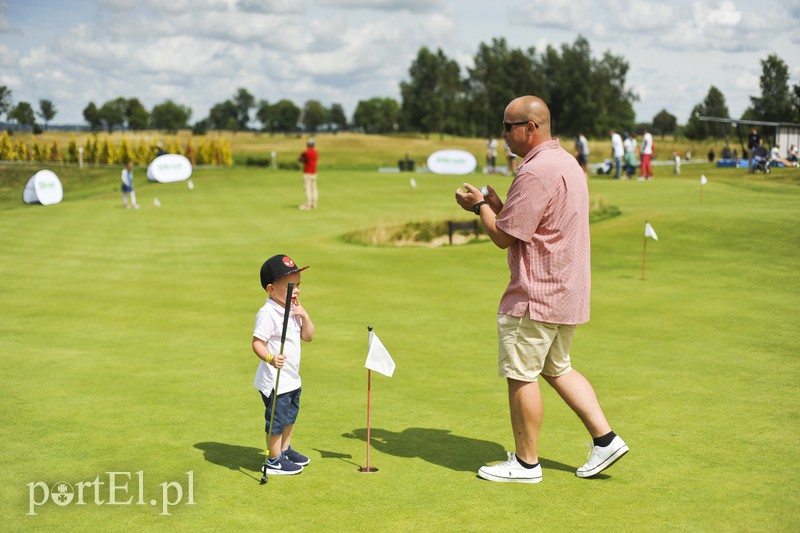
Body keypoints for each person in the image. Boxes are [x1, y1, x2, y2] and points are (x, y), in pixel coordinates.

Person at [454, 95, 628, 484]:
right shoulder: (567, 163)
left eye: (508, 126)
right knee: (557, 367)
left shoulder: (533, 172)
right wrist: (498, 203)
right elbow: (526, 222)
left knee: (521, 373)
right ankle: (606, 439)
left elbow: (503, 237)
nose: (503, 135)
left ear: (530, 128)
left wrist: (480, 204)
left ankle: (526, 463)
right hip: (565, 290)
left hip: (535, 294)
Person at [253, 254, 315, 476]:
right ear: (271, 289)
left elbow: (308, 337)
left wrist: (305, 316)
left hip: (291, 378)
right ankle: (273, 459)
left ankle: (285, 450)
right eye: (291, 286)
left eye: (298, 285)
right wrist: (270, 357)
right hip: (275, 381)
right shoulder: (268, 313)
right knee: (276, 421)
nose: (296, 291)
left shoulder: (294, 308)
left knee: (290, 417)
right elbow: (257, 343)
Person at [298, 139, 319, 210]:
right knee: (314, 189)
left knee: (308, 189)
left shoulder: (306, 152)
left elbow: (300, 159)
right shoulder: (316, 152)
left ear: (308, 144)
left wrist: (303, 160)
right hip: (314, 173)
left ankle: (308, 204)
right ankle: (314, 203)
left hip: (307, 172)